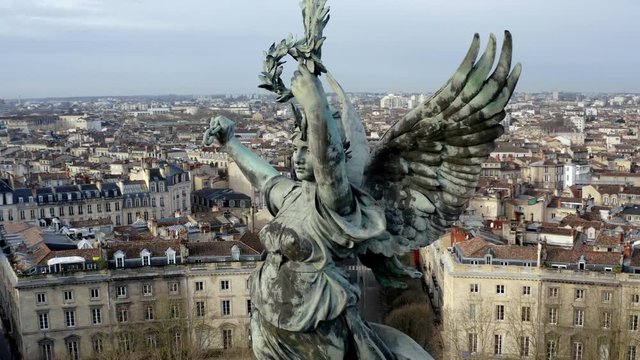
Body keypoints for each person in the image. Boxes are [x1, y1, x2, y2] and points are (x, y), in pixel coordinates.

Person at [204, 65, 429, 359]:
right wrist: (229, 142)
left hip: (315, 327)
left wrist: (316, 105)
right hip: (269, 321)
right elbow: (263, 177)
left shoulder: (336, 206)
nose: (297, 158)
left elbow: (329, 166)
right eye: (296, 150)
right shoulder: (292, 195)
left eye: (306, 150)